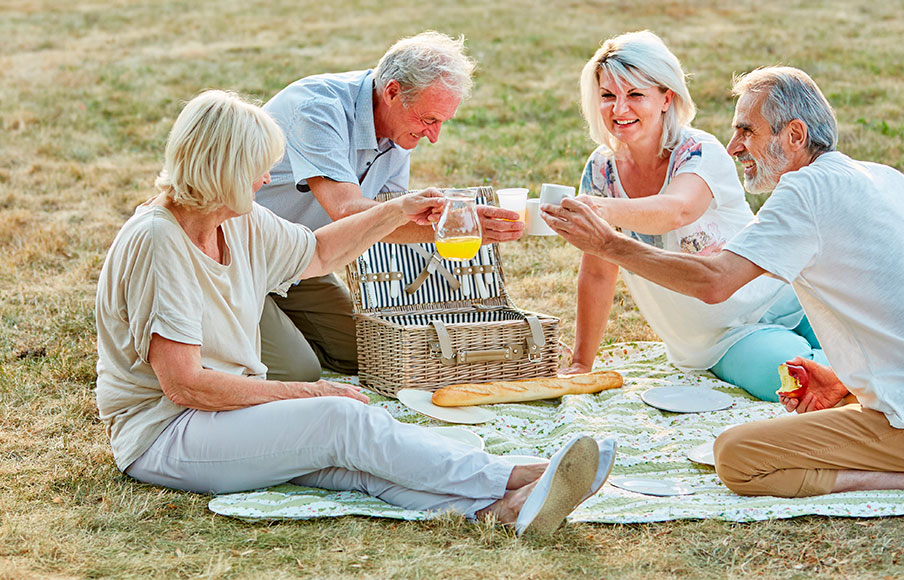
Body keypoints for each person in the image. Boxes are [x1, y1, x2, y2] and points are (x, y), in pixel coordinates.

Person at [94, 90, 613, 535]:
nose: (265, 179)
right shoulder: (158, 242)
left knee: (355, 462)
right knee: (340, 420)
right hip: (166, 434)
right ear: (222, 168)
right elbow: (185, 386)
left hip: (223, 416)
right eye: (257, 167)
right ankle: (514, 476)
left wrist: (395, 212)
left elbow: (318, 254)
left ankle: (500, 511)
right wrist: (309, 391)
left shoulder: (239, 221)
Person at [541, 66, 904, 498]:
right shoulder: (883, 175)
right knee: (836, 399)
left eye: (747, 130)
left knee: (736, 456)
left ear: (794, 135)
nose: (735, 144)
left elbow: (714, 282)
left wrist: (608, 242)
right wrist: (843, 384)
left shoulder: (804, 193)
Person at [559, 31, 826, 402]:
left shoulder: (699, 150)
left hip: (785, 297)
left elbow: (676, 209)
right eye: (608, 96)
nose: (619, 110)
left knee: (870, 344)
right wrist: (580, 365)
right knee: (795, 380)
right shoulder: (602, 172)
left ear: (667, 97)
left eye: (635, 95)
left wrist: (598, 210)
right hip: (721, 338)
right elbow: (598, 271)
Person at [254, 31, 523, 382]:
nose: (434, 136)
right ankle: (227, 328)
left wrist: (457, 224)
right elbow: (348, 210)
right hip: (240, 256)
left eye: (442, 122)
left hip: (299, 259)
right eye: (429, 120)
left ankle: (268, 324)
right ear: (393, 92)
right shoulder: (317, 109)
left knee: (367, 351)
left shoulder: (398, 130)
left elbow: (384, 219)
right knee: (297, 370)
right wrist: (449, 226)